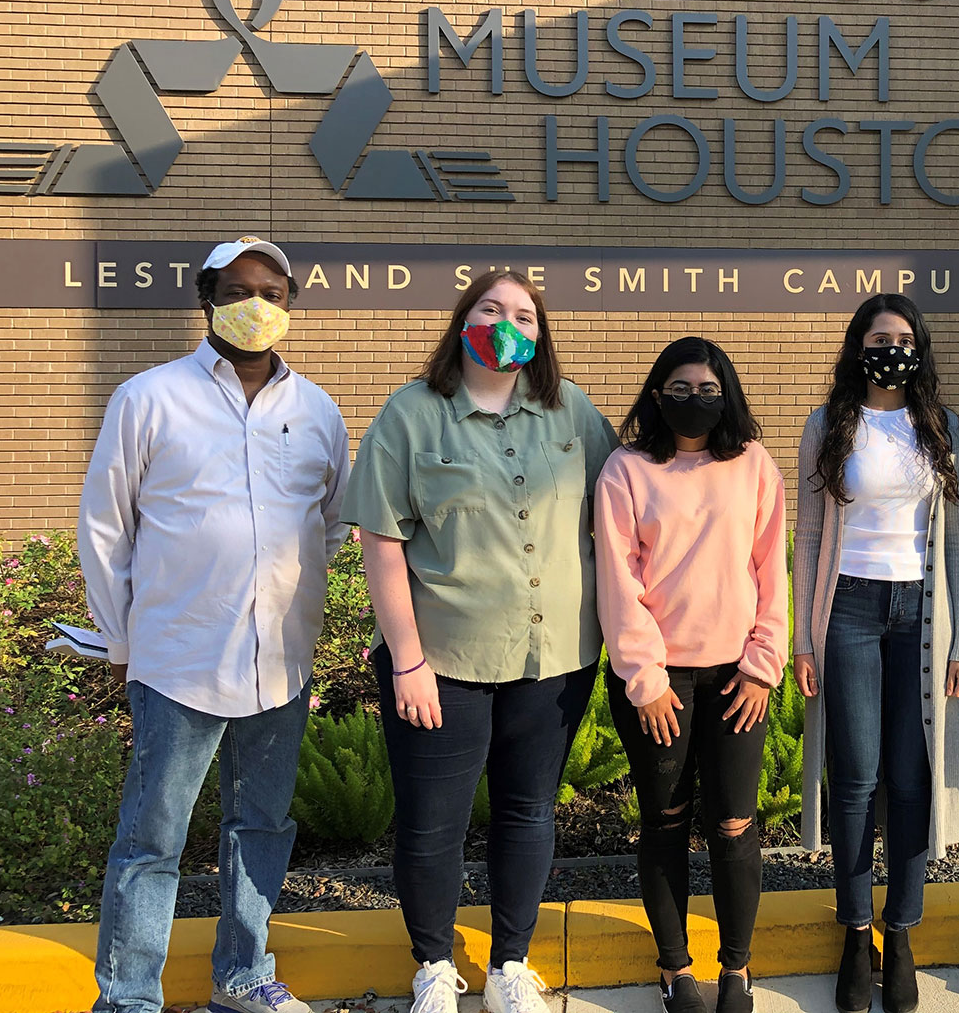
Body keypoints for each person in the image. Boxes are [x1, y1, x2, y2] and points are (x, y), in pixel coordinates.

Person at [78, 236, 351, 1013]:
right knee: (151, 842)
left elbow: (332, 521)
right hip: (177, 661)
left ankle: (243, 975)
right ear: (207, 299)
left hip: (281, 664)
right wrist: (124, 638)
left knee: (260, 828)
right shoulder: (150, 397)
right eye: (236, 290)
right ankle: (129, 997)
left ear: (291, 305)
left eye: (271, 291)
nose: (254, 305)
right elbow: (105, 526)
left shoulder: (317, 410)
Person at [341, 271, 617, 1013]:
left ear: (541, 330)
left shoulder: (571, 411)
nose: (506, 323)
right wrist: (407, 661)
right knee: (435, 823)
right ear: (462, 319)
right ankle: (433, 964)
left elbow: (621, 510)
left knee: (529, 812)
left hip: (553, 658)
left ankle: (509, 967)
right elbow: (382, 540)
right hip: (441, 660)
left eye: (523, 313)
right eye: (490, 309)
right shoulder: (411, 414)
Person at [594, 336, 788, 1013]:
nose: (695, 401)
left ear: (728, 396)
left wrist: (765, 665)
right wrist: (644, 679)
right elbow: (618, 583)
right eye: (679, 389)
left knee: (734, 823)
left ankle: (737, 970)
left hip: (739, 675)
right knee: (666, 820)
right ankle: (676, 970)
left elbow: (771, 574)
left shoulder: (755, 466)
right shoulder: (624, 470)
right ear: (655, 397)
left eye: (708, 390)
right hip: (659, 683)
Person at [793, 293, 959, 1013]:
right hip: (851, 610)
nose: (890, 348)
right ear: (857, 348)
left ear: (919, 348)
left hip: (920, 613)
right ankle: (854, 931)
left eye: (902, 338)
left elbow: (957, 538)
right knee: (856, 775)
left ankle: (900, 934)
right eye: (878, 337)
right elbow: (807, 536)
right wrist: (806, 635)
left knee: (910, 775)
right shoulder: (828, 424)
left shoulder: (942, 427)